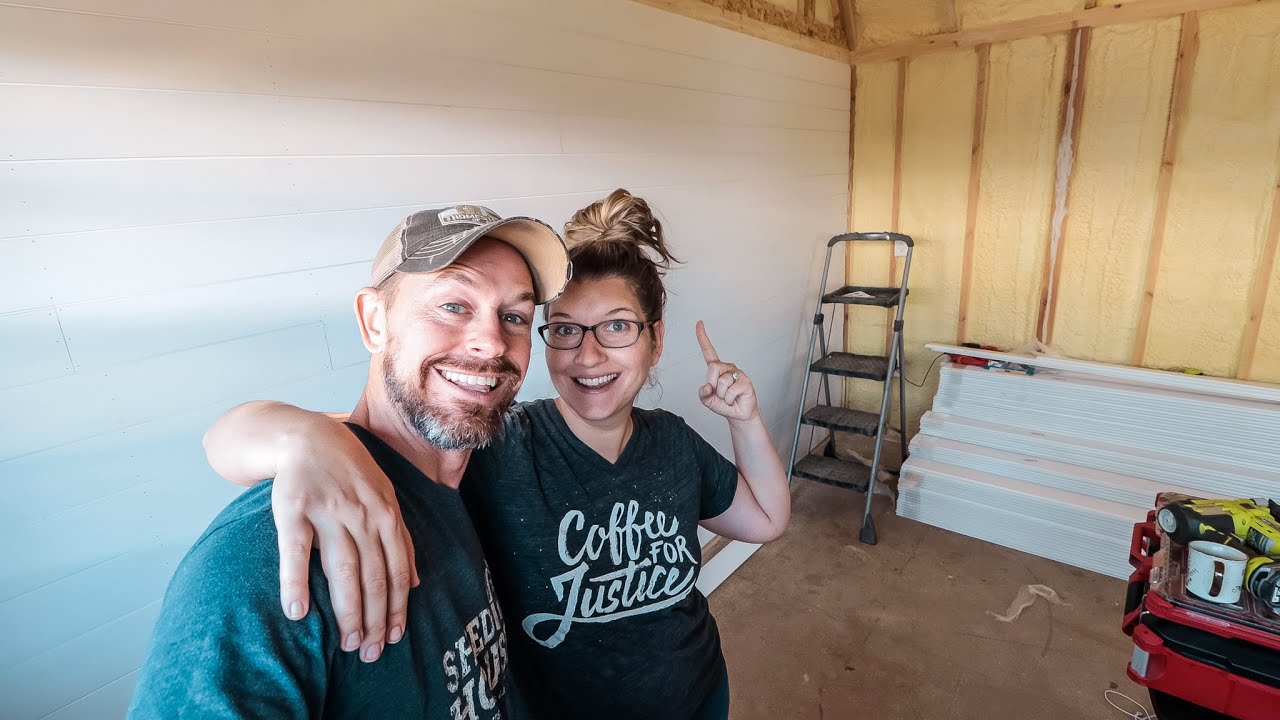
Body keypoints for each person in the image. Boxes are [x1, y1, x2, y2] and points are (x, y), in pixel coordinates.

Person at [205, 189, 792, 719]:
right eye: (564, 330)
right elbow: (303, 439)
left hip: (698, 695)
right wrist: (301, 434)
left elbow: (765, 520)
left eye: (616, 327)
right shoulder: (500, 441)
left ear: (654, 339)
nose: (588, 355)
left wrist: (745, 421)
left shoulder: (672, 439)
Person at [129, 205, 572, 719]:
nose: (492, 341)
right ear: (374, 321)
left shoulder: (475, 473)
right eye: (453, 305)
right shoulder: (275, 550)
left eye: (514, 316)